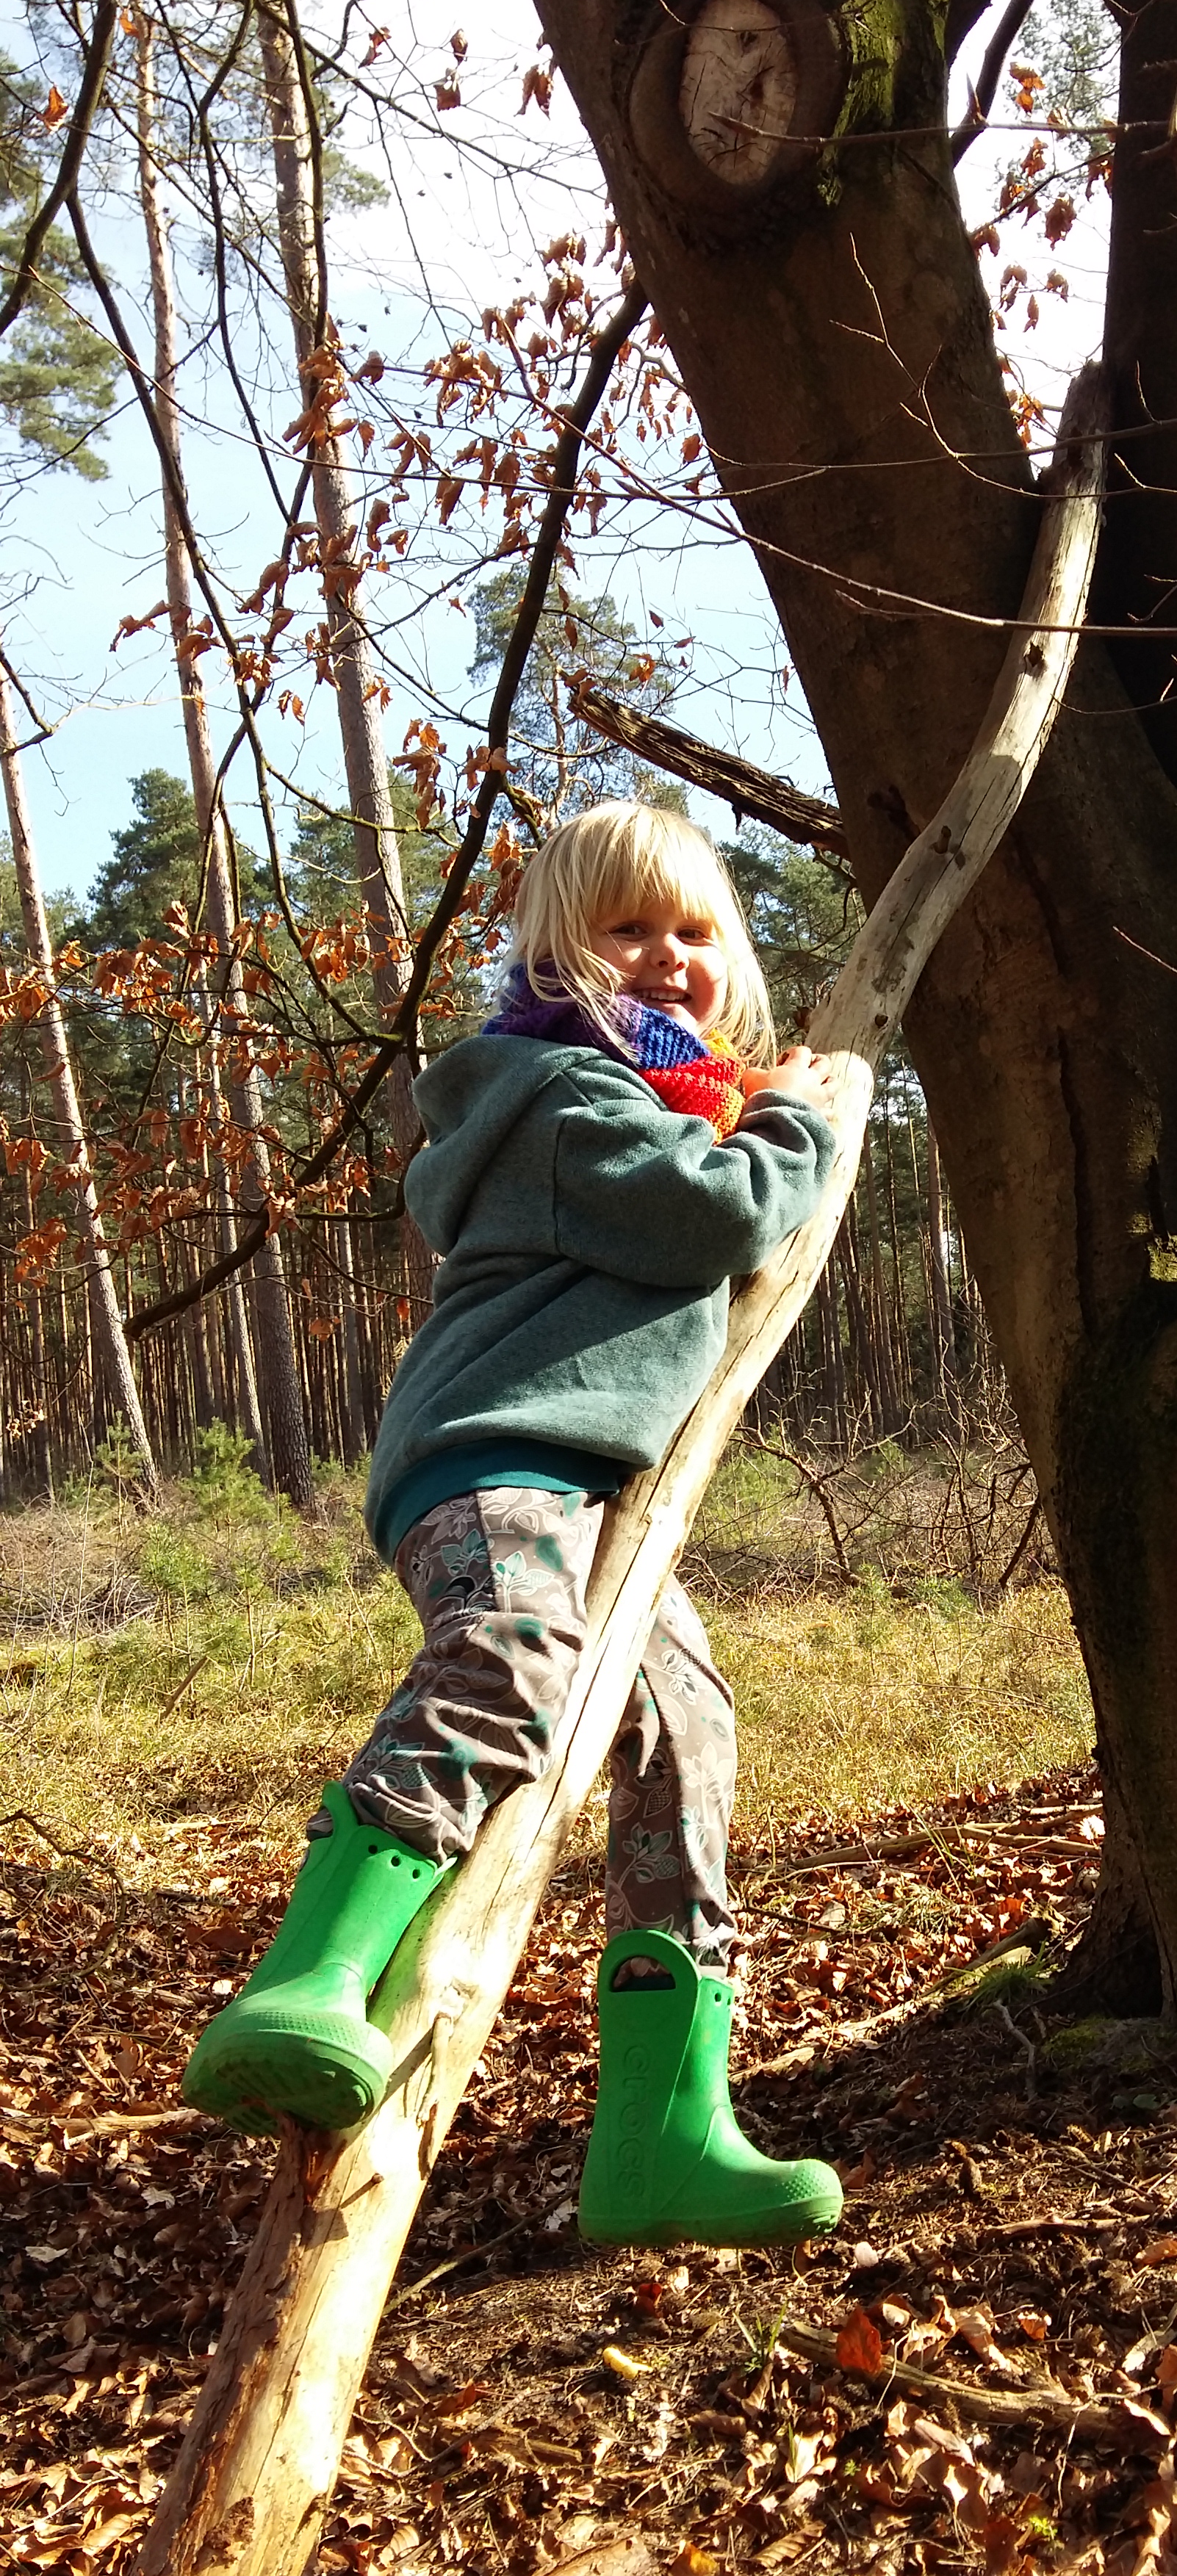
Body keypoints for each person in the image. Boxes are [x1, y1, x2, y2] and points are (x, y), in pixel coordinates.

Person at [182, 801, 843, 2249]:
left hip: (600, 1486)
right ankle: (309, 1977)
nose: (667, 959)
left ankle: (665, 2135)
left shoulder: (666, 1092)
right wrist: (803, 1118)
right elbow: (717, 1215)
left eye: (693, 930)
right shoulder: (555, 1095)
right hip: (498, 1461)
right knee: (507, 1658)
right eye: (627, 929)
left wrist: (751, 1103)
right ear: (561, 951)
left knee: (688, 1739)